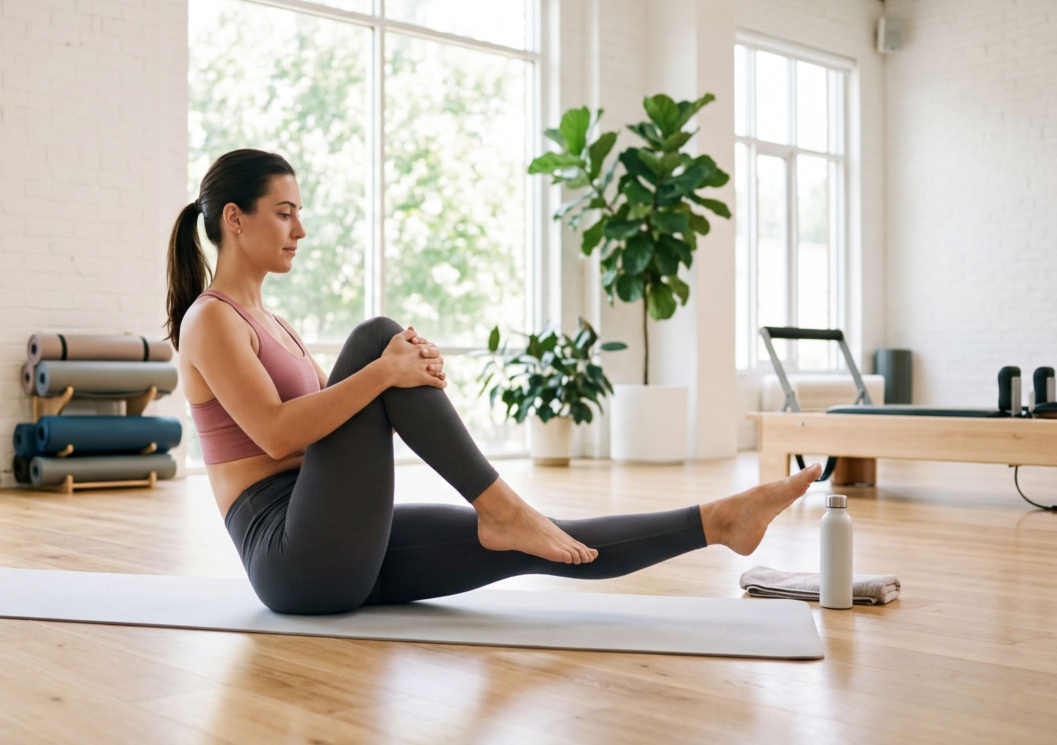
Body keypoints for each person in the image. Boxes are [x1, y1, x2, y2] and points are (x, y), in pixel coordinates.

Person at [166, 148, 821, 616]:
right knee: (375, 339)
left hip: (329, 540)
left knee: (533, 542)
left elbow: (327, 429)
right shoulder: (211, 320)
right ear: (234, 218)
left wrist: (398, 380)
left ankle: (718, 522)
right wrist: (386, 372)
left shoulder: (271, 320)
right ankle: (501, 505)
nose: (300, 229)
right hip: (290, 556)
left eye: (298, 213)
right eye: (284, 213)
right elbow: (276, 435)